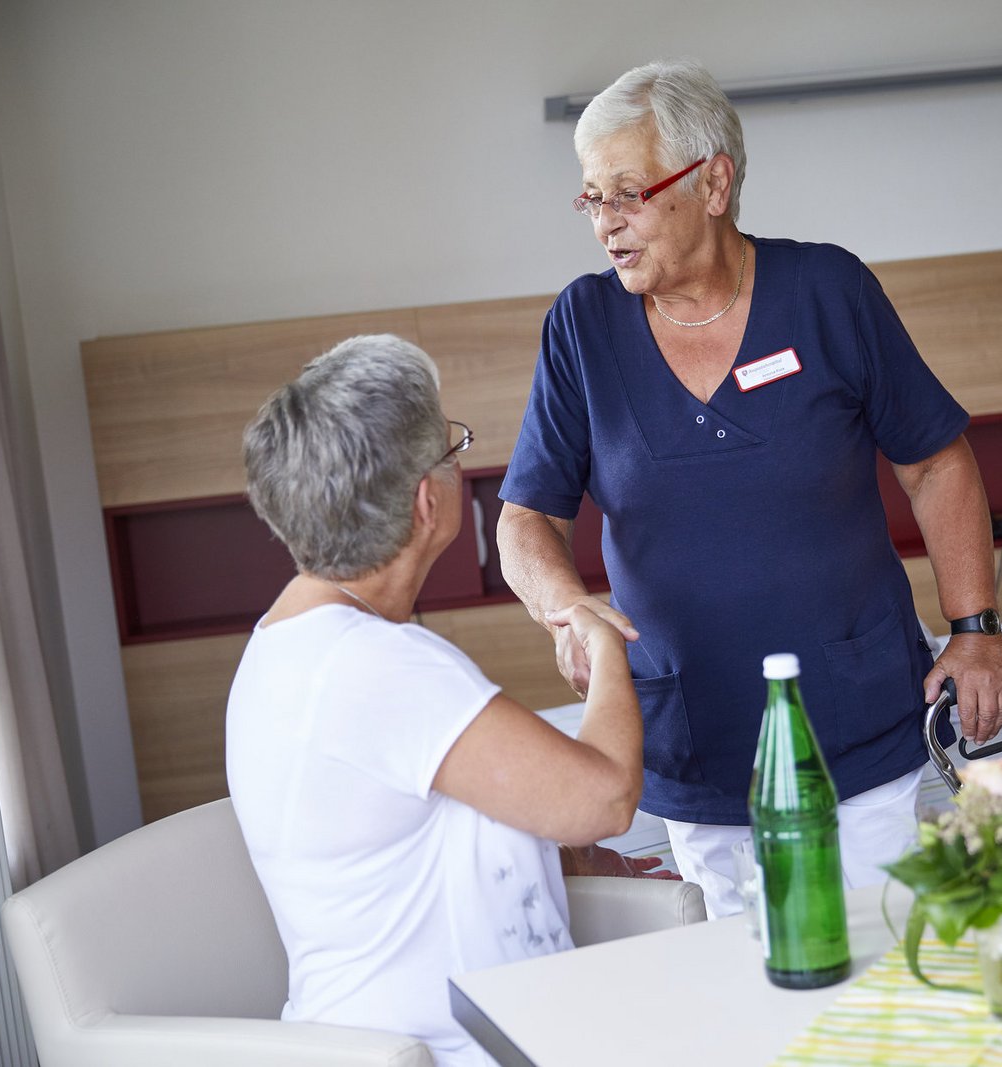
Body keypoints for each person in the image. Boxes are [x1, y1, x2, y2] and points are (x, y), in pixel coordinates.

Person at [497, 59, 1002, 918]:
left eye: (626, 194)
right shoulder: (583, 327)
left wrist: (974, 628)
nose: (604, 224)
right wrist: (567, 608)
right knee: (739, 1001)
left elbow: (935, 461)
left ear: (713, 182)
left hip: (855, 716)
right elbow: (525, 519)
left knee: (882, 962)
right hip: (695, 730)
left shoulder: (828, 291)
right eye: (591, 198)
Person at [226, 334, 669, 1067]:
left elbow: (429, 822)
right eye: (452, 446)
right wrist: (604, 639)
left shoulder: (289, 642)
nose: (460, 464)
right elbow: (607, 795)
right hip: (452, 1050)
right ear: (428, 501)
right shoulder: (382, 666)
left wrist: (577, 861)